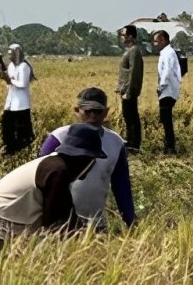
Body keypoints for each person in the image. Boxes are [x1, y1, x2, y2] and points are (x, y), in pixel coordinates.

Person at [0, 123, 107, 255]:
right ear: (87, 159)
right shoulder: (56, 172)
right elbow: (58, 224)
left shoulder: (55, 165)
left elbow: (67, 215)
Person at [39, 87, 135, 231]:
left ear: (106, 112)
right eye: (87, 111)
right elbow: (39, 181)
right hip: (60, 224)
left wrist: (131, 222)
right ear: (77, 111)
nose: (93, 116)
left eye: (98, 111)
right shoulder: (58, 138)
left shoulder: (116, 143)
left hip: (96, 225)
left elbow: (121, 186)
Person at [0, 43, 35, 154]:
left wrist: (10, 80)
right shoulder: (11, 66)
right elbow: (10, 83)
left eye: (11, 54)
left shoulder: (24, 66)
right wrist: (3, 76)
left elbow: (23, 84)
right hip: (11, 101)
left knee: (22, 128)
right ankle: (10, 147)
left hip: (21, 103)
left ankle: (23, 148)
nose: (9, 56)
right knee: (7, 126)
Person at [153, 30, 181, 154]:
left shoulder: (169, 53)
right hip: (166, 90)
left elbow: (167, 72)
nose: (155, 44)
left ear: (163, 40)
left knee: (166, 119)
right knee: (165, 119)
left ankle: (170, 147)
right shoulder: (165, 53)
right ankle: (168, 145)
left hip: (167, 90)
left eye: (156, 41)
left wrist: (160, 86)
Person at [116, 24, 143, 151]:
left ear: (130, 36)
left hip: (129, 90)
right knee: (127, 115)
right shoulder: (130, 50)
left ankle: (134, 143)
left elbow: (134, 72)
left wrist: (130, 90)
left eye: (124, 35)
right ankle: (130, 140)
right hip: (125, 89)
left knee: (132, 116)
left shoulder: (134, 51)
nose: (122, 37)